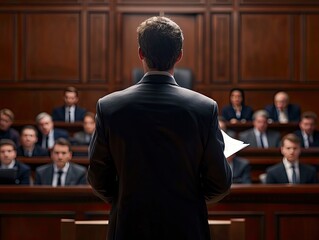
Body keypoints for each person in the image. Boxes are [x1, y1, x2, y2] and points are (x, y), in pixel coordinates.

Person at [87, 16, 232, 240]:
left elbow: (98, 178)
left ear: (140, 53)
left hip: (129, 226)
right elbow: (219, 182)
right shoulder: (204, 108)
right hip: (186, 227)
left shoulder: (109, 107)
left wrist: (127, 199)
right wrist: (189, 201)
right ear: (180, 55)